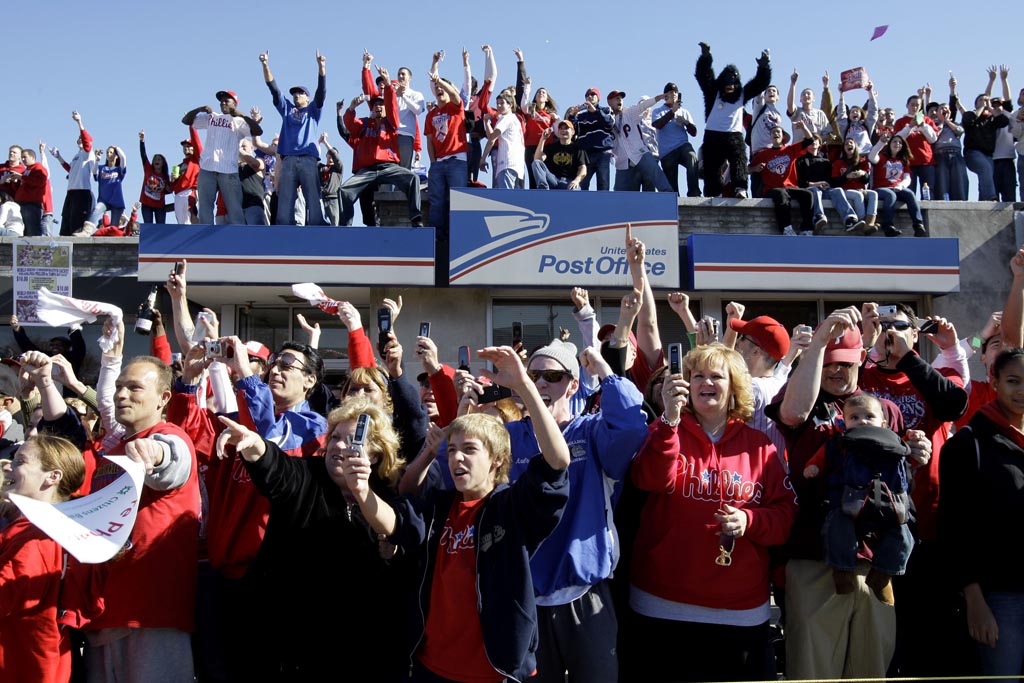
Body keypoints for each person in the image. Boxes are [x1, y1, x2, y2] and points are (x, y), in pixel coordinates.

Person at [339, 345, 571, 683]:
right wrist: (362, 492)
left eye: (469, 449)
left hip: (494, 671)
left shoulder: (511, 507)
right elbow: (396, 522)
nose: (457, 458)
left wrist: (524, 385)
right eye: (451, 450)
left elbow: (557, 463)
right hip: (430, 667)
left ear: (496, 459)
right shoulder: (439, 504)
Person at [767, 307, 932, 680]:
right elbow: (792, 413)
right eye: (828, 362)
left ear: (861, 357)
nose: (835, 370)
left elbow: (901, 478)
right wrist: (820, 343)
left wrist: (917, 459)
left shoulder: (885, 409)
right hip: (815, 555)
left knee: (870, 667)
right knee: (813, 668)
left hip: (876, 559)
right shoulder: (805, 397)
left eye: (843, 362)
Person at [628, 343, 797, 682]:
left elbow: (784, 518)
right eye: (697, 376)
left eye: (717, 376)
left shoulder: (761, 446)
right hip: (662, 606)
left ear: (734, 386)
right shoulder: (662, 432)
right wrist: (670, 422)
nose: (706, 382)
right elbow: (648, 479)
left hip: (741, 613)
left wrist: (750, 521)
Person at [212, 398, 407, 681]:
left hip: (349, 646)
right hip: (284, 639)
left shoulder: (385, 497)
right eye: (335, 437)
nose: (339, 446)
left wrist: (391, 552)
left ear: (375, 455)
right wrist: (256, 446)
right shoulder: (306, 474)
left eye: (353, 440)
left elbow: (397, 548)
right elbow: (277, 469)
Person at [939, 347, 1024, 681]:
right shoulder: (969, 443)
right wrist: (974, 600)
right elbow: (953, 527)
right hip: (1000, 597)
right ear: (994, 381)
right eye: (1013, 381)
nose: (1021, 391)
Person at [0, 434, 98, 683]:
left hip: (23, 665)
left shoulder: (37, 535)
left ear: (53, 476)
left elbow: (6, 591)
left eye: (21, 461)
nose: (9, 466)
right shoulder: (45, 528)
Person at [801, 394, 914, 605]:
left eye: (869, 416)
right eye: (854, 417)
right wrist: (814, 467)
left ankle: (883, 574)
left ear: (883, 423)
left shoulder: (894, 442)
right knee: (837, 528)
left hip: (886, 504)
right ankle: (843, 570)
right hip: (847, 501)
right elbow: (822, 456)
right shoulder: (839, 442)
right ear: (844, 422)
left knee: (903, 535)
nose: (862, 421)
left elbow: (907, 466)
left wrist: (914, 446)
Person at [340, 69, 423, 227]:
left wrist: (388, 85)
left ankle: (416, 218)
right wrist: (351, 108)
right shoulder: (364, 123)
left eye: (381, 104)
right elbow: (350, 125)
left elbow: (392, 104)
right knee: (344, 190)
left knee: (413, 178)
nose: (378, 107)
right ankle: (346, 225)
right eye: (375, 105)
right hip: (368, 170)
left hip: (388, 167)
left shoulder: (391, 123)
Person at [695, 42, 772, 198]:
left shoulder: (742, 94)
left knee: (739, 161)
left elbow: (759, 84)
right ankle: (713, 192)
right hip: (713, 135)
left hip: (733, 135)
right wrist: (706, 56)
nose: (729, 87)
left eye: (732, 84)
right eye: (727, 84)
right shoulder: (714, 93)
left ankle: (740, 188)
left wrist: (764, 67)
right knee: (711, 166)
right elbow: (704, 76)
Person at [260, 50, 328, 226]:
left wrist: (321, 68)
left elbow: (322, 92)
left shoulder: (313, 111)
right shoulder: (287, 109)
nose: (296, 95)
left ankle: (317, 227)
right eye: (294, 93)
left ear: (307, 97)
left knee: (313, 197)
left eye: (300, 93)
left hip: (308, 159)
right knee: (285, 201)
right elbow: (274, 89)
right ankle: (284, 231)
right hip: (288, 160)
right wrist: (265, 65)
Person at [182, 90, 263, 226]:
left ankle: (238, 237)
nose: (223, 102)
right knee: (205, 208)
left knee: (235, 209)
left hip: (228, 170)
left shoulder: (239, 121)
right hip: (207, 168)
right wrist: (199, 109)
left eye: (227, 100)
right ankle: (205, 237)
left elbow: (257, 131)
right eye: (221, 100)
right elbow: (186, 121)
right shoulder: (212, 117)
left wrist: (240, 114)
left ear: (235, 103)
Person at [748, 123, 815, 235]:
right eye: (773, 132)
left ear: (783, 136)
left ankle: (807, 229)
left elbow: (810, 140)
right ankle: (786, 228)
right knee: (781, 194)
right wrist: (755, 168)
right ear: (770, 137)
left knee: (808, 194)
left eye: (778, 131)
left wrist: (804, 127)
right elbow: (747, 169)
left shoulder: (790, 150)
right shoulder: (763, 154)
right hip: (772, 189)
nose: (776, 133)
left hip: (790, 187)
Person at [424, 70, 468, 235]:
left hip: (457, 161)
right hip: (438, 163)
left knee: (458, 200)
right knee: (436, 201)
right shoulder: (430, 115)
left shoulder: (456, 107)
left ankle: (458, 235)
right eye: (436, 87)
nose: (439, 89)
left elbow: (455, 95)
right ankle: (438, 237)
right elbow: (429, 141)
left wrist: (440, 81)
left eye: (441, 87)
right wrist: (433, 162)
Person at [608, 90, 674, 192]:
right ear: (610, 102)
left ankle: (668, 195)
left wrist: (659, 97)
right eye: (617, 98)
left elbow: (643, 106)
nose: (620, 100)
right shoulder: (607, 121)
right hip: (623, 161)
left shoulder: (628, 112)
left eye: (621, 98)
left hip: (639, 153)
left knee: (654, 171)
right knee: (618, 192)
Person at [868, 133, 926, 237]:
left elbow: (907, 178)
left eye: (900, 142)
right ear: (889, 144)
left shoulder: (903, 161)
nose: (897, 144)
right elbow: (872, 157)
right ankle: (888, 226)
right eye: (894, 141)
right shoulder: (881, 157)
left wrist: (900, 186)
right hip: (880, 188)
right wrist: (881, 142)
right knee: (890, 195)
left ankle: (918, 225)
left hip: (897, 188)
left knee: (910, 194)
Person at [652, 82, 700, 196]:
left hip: (682, 145)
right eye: (670, 92)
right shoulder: (657, 111)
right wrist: (671, 112)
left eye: (675, 92)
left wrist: (686, 122)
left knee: (692, 157)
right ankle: (675, 200)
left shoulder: (684, 111)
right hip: (667, 152)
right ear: (665, 96)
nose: (673, 94)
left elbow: (694, 132)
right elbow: (657, 124)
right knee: (672, 189)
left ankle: (694, 192)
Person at [566, 87, 614, 191]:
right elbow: (573, 131)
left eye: (593, 94)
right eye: (587, 95)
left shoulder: (606, 110)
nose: (590, 96)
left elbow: (609, 124)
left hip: (603, 152)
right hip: (586, 154)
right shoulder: (581, 116)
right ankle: (584, 205)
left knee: (603, 183)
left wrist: (596, 111)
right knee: (583, 184)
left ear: (598, 98)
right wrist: (572, 116)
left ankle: (603, 205)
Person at [75, 145, 127, 236]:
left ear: (116, 155)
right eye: (107, 152)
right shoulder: (102, 168)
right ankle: (86, 232)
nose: (108, 154)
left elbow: (123, 158)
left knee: (113, 228)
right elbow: (94, 173)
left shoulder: (119, 169)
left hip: (116, 201)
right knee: (96, 210)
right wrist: (97, 159)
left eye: (111, 152)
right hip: (104, 200)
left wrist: (117, 148)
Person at [829, 137, 877, 232]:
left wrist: (863, 173)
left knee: (873, 194)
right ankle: (861, 221)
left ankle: (870, 222)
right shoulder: (839, 163)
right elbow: (834, 182)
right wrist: (847, 177)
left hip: (861, 189)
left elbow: (866, 180)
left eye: (851, 143)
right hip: (846, 190)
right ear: (843, 148)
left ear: (855, 146)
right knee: (858, 195)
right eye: (846, 144)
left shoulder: (862, 161)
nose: (849, 145)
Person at [481, 91, 526, 189]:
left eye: (502, 103)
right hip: (518, 166)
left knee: (506, 199)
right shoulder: (514, 119)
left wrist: (483, 158)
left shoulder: (506, 118)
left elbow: (492, 138)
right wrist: (487, 122)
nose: (499, 106)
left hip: (507, 164)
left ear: (510, 105)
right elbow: (492, 137)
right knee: (515, 201)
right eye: (497, 103)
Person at [532, 121, 588, 190]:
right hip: (553, 180)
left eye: (566, 128)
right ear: (558, 132)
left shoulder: (578, 149)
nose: (563, 130)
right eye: (561, 128)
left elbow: (583, 169)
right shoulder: (552, 147)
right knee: (536, 163)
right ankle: (543, 188)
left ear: (573, 132)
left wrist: (577, 180)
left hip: (568, 182)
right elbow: (537, 159)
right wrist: (543, 139)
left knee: (574, 190)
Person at [787, 69, 830, 144]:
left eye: (808, 94)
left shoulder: (820, 114)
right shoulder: (797, 111)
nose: (806, 95)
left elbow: (828, 134)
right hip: (798, 151)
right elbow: (790, 105)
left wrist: (814, 141)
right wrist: (793, 83)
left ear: (814, 99)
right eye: (803, 94)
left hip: (814, 150)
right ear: (800, 99)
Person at [170, 127, 202, 225]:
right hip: (179, 194)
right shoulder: (180, 166)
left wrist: (191, 126)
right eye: (184, 146)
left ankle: (197, 238)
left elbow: (197, 142)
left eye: (189, 145)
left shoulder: (197, 160)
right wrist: (173, 180)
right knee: (182, 222)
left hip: (190, 192)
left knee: (193, 216)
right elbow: (172, 187)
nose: (186, 147)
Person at [137, 131, 170, 224]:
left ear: (163, 163)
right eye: (155, 159)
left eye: (159, 159)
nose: (156, 161)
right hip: (146, 204)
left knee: (160, 228)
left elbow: (169, 190)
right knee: (148, 226)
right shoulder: (148, 169)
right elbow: (143, 155)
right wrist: (142, 141)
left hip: (159, 206)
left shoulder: (165, 176)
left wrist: (169, 188)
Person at [14, 148, 48, 236]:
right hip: (23, 204)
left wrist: (22, 177)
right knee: (25, 232)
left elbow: (39, 182)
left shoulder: (39, 168)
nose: (23, 159)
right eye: (22, 157)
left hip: (31, 205)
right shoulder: (27, 170)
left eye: (25, 157)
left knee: (32, 232)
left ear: (32, 157)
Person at [237, 138, 267, 225]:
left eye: (244, 146)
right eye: (240, 146)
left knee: (256, 236)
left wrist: (238, 149)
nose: (241, 149)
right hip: (238, 209)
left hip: (253, 206)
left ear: (252, 148)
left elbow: (255, 164)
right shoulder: (234, 166)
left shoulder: (260, 161)